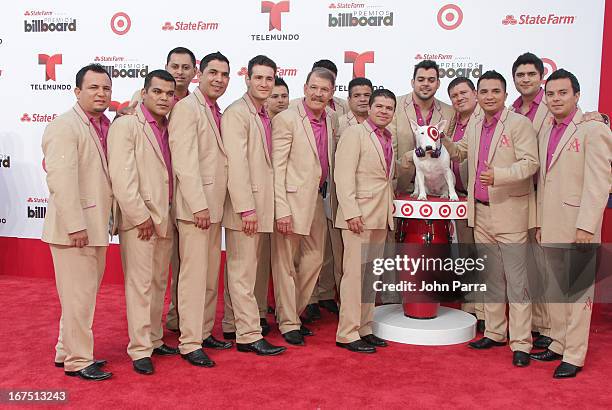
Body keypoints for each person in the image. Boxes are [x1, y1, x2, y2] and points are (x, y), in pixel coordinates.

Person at [441, 71, 539, 367]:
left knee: (517, 281)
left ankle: (521, 342)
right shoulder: (474, 125)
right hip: (480, 211)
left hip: (510, 211)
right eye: (484, 91)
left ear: (505, 94)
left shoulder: (519, 124)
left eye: (495, 91)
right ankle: (496, 332)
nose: (489, 96)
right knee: (491, 278)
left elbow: (530, 164)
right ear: (478, 95)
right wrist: (442, 139)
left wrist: (500, 176)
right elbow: (459, 154)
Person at [531, 69, 612, 378]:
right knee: (554, 288)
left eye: (562, 93)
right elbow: (545, 181)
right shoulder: (545, 129)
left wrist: (587, 226)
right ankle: (559, 342)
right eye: (550, 94)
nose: (555, 99)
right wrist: (539, 222)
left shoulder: (593, 128)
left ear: (577, 95)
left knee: (578, 293)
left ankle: (575, 355)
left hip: (579, 224)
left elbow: (598, 183)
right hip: (549, 222)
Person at [42, 64, 114, 380]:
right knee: (79, 298)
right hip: (76, 230)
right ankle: (78, 360)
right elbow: (61, 179)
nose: (101, 93)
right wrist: (75, 226)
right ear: (77, 91)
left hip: (94, 226)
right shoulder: (64, 126)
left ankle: (64, 350)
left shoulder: (103, 125)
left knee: (78, 297)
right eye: (94, 88)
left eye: (106, 89)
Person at [120, 47, 198, 333]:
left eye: (185, 67)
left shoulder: (194, 105)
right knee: (143, 280)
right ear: (146, 93)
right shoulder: (133, 115)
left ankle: (159, 332)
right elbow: (124, 173)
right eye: (174, 66)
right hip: (147, 211)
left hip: (179, 206)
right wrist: (138, 213)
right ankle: (142, 344)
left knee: (166, 276)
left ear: (194, 72)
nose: (179, 71)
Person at [108, 70, 179, 375]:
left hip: (166, 216)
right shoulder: (126, 125)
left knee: (158, 283)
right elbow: (123, 179)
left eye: (169, 93)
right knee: (140, 285)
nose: (164, 98)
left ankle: (153, 337)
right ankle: (139, 349)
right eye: (158, 92)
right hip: (141, 220)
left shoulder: (172, 124)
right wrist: (139, 217)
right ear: (144, 93)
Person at [169, 52, 232, 367]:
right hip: (197, 210)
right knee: (194, 278)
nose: (218, 79)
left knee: (209, 277)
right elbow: (184, 163)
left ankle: (204, 332)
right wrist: (198, 206)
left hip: (214, 208)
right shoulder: (186, 109)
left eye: (224, 74)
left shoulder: (215, 110)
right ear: (199, 75)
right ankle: (189, 341)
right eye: (213, 73)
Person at [221, 55, 286, 356]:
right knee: (243, 272)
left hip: (259, 206)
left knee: (243, 269)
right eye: (258, 77)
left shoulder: (262, 114)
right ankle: (248, 334)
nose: (263, 83)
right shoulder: (237, 113)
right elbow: (235, 164)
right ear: (247, 78)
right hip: (246, 208)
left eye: (269, 78)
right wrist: (246, 208)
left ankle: (233, 325)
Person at [271, 68, 338, 346]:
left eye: (324, 89)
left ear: (332, 93)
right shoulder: (287, 119)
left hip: (317, 201)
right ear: (305, 87)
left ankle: (290, 312)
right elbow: (277, 166)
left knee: (313, 259)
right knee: (285, 264)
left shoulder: (333, 119)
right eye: (313, 87)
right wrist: (281, 208)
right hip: (291, 201)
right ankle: (289, 322)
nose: (318, 94)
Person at [334, 88, 397, 353]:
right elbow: (343, 175)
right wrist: (351, 212)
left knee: (371, 277)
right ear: (369, 108)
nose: (383, 111)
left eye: (389, 108)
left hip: (380, 215)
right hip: (357, 217)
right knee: (354, 277)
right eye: (379, 106)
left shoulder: (388, 137)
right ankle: (347, 333)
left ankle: (364, 327)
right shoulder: (354, 134)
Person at [446, 77, 485, 331]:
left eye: (463, 93)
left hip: (478, 197)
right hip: (457, 197)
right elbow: (455, 152)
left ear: (475, 93)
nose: (459, 98)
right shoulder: (453, 121)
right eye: (454, 95)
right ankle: (472, 307)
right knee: (467, 256)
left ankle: (481, 313)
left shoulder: (486, 118)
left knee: (479, 256)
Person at [390, 59, 455, 194]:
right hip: (400, 187)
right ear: (413, 82)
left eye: (431, 80)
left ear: (438, 84)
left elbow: (448, 152)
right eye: (421, 79)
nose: (426, 84)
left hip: (435, 191)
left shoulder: (450, 112)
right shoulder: (394, 105)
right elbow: (390, 149)